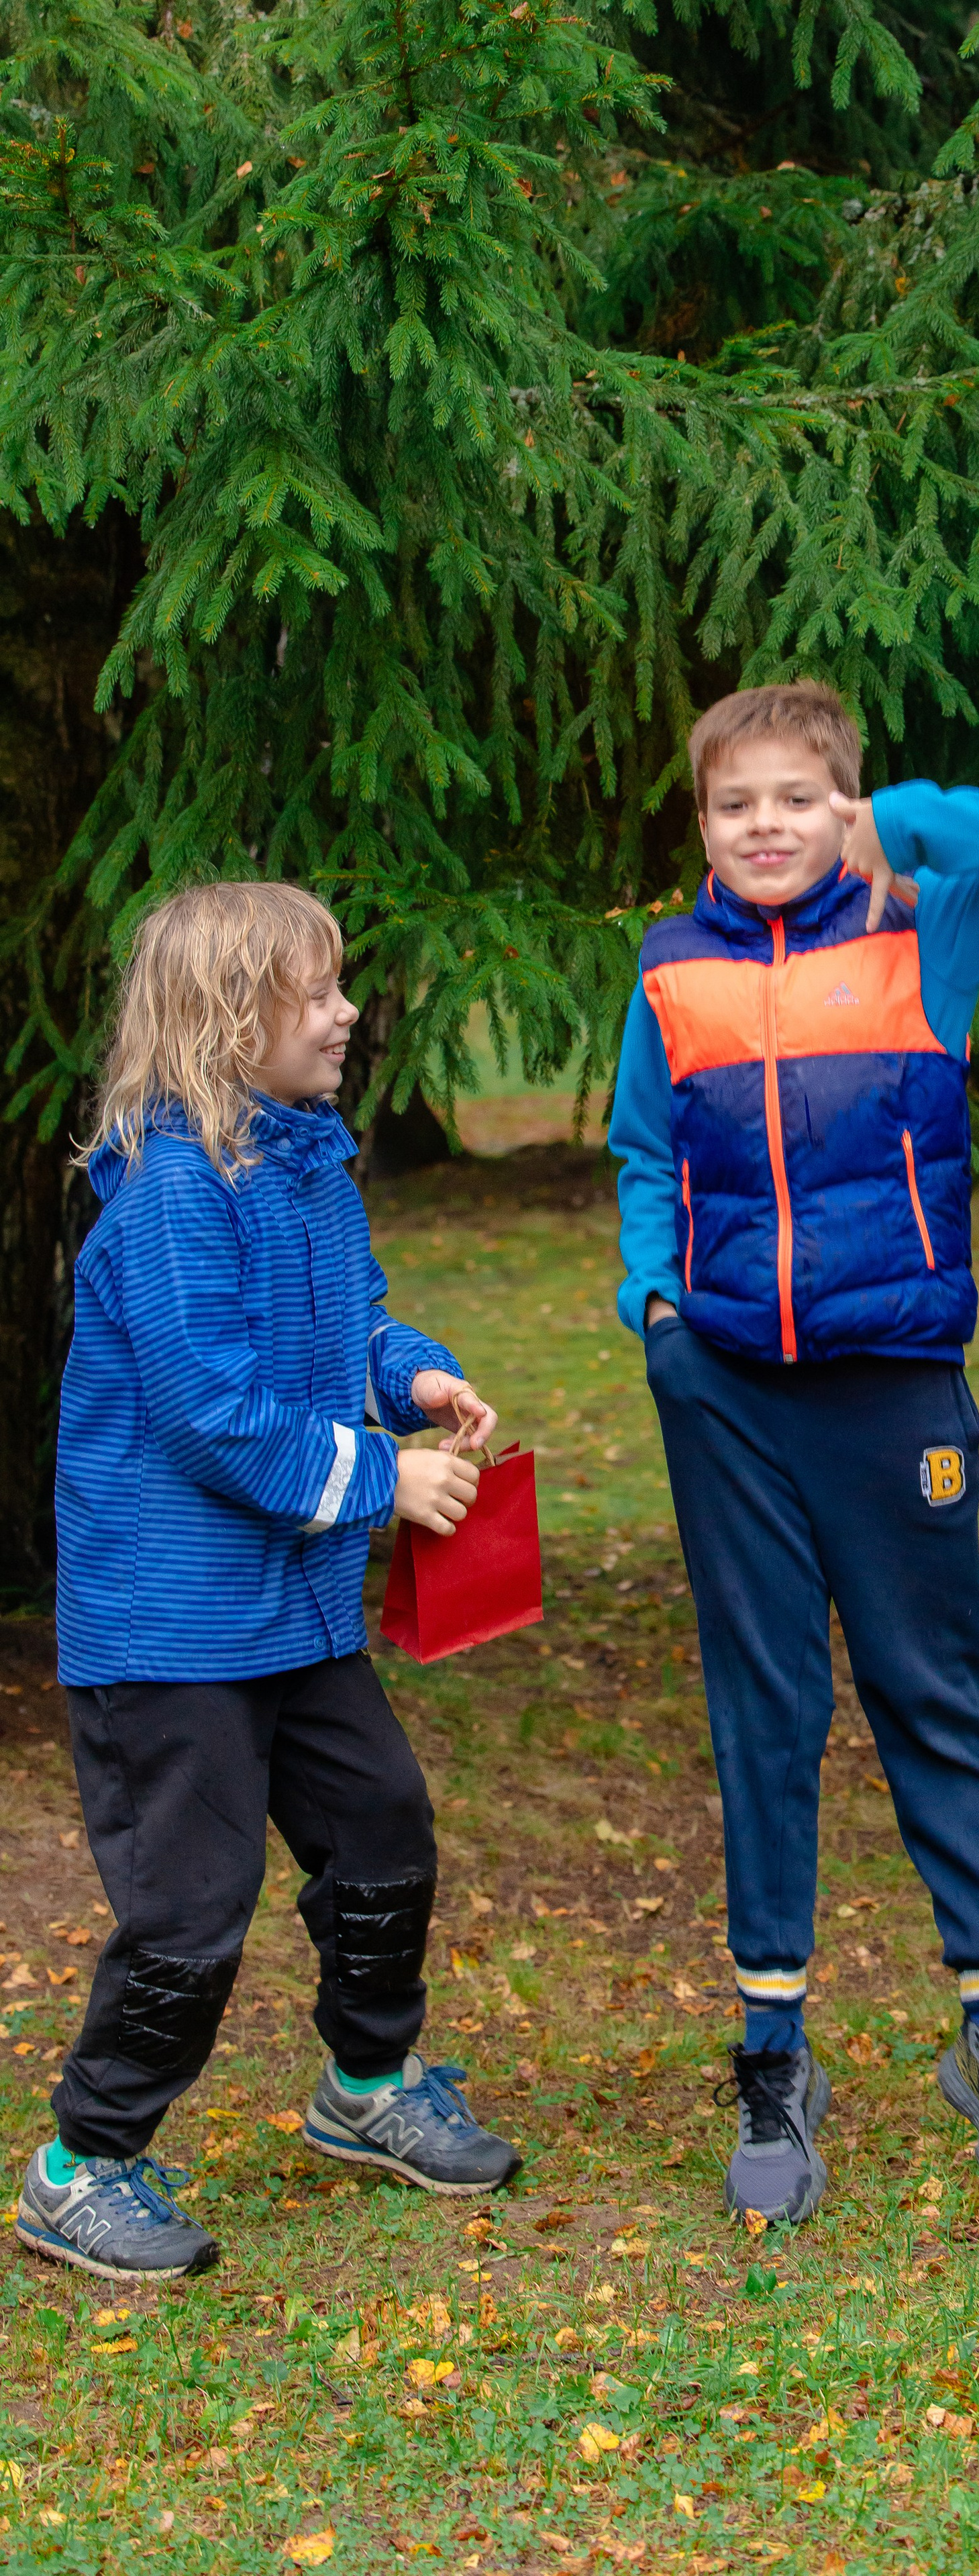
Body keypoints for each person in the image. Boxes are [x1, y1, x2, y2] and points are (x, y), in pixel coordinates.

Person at [609, 681, 979, 2222]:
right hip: (731, 1396)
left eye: (796, 797)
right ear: (701, 823)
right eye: (733, 803)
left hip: (895, 1392)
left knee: (926, 1694)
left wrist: (900, 823)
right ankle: (771, 2050)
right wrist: (655, 1308)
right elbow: (642, 1148)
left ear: (843, 801)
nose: (765, 825)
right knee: (764, 1710)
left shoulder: (924, 928)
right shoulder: (670, 965)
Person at [18, 883, 521, 2284]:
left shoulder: (304, 1163)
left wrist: (407, 1368)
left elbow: (343, 1314)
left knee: (383, 1828)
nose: (347, 1010)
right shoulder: (173, 1195)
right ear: (230, 1019)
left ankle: (367, 2083)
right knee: (190, 1903)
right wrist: (386, 1477)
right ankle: (86, 2160)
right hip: (172, 1630)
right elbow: (212, 1413)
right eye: (317, 991)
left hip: (289, 1612)